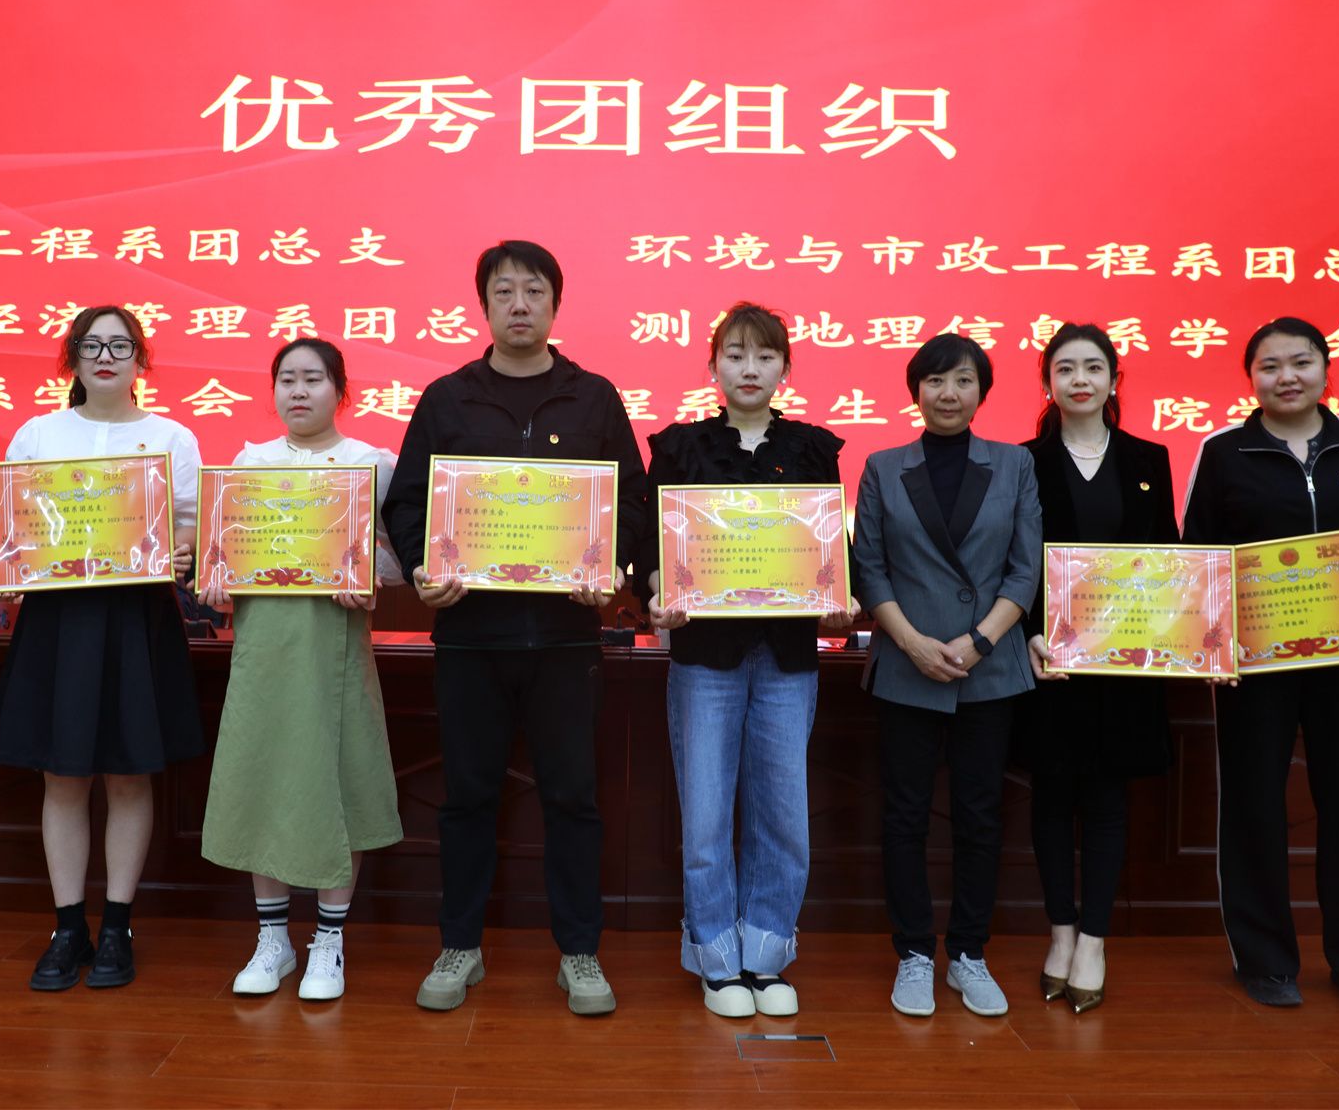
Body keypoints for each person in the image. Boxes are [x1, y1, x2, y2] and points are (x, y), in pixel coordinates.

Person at [383, 240, 649, 1016]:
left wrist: (614, 565)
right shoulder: (448, 398)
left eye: (534, 291)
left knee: (573, 799)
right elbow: (408, 502)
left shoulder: (592, 397)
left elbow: (633, 501)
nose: (520, 304)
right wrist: (424, 567)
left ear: (555, 305)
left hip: (566, 640)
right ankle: (460, 946)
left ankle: (580, 954)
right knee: (467, 799)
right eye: (505, 292)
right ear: (485, 305)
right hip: (471, 637)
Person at [1182, 316, 1339, 1015]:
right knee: (1254, 803)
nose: (1287, 377)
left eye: (1301, 362)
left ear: (1325, 369)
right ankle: (1265, 959)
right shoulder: (1224, 452)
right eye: (1270, 366)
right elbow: (1198, 556)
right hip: (1255, 664)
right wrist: (1211, 648)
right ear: (1250, 378)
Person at [639, 302, 860, 1019]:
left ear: (785, 368)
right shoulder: (680, 447)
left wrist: (839, 598)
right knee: (706, 816)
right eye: (735, 355)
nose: (749, 368)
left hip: (788, 655)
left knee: (783, 814)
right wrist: (659, 593)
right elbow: (651, 545)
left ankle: (766, 956)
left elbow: (830, 550)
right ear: (713, 366)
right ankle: (715, 958)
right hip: (705, 655)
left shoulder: (812, 449)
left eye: (764, 356)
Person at [0, 305, 205, 992]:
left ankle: (117, 926)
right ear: (72, 358)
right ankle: (67, 927)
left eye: (120, 345)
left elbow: (191, 529)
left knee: (130, 776)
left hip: (138, 618)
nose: (105, 355)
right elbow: (14, 528)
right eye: (91, 344)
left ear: (141, 359)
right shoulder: (38, 433)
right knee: (62, 776)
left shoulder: (172, 437)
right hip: (57, 620)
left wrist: (181, 551)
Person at [198, 339, 404, 1000]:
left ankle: (329, 942)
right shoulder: (249, 463)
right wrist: (215, 580)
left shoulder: (374, 463)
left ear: (340, 390)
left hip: (335, 648)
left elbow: (404, 558)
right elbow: (224, 555)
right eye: (286, 379)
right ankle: (273, 940)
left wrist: (369, 576)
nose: (298, 391)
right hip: (263, 649)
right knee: (264, 776)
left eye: (313, 379)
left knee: (341, 780)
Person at [852, 333, 1041, 1019]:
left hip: (987, 670)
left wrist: (978, 642)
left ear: (982, 391)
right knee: (903, 816)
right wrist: (910, 643)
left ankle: (968, 953)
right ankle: (912, 953)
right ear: (916, 391)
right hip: (907, 667)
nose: (948, 393)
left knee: (979, 816)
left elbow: (1025, 568)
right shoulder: (882, 466)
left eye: (963, 380)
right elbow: (869, 567)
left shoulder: (1015, 463)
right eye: (934, 381)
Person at [1017, 324, 1177, 1014]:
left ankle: (1094, 941)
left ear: (1114, 378)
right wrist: (1029, 634)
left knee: (1109, 802)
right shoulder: (1023, 462)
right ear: (1048, 383)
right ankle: (1060, 933)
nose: (1079, 379)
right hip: (1050, 661)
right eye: (1065, 369)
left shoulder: (1149, 458)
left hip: (1126, 664)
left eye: (1092, 367)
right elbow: (1014, 561)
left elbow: (1170, 558)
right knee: (1052, 798)